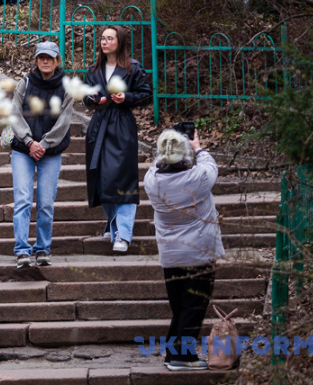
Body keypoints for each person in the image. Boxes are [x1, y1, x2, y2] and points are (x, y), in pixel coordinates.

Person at [143, 128, 224, 371]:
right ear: (185, 153)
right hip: (199, 253)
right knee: (194, 305)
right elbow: (211, 165)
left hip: (170, 255)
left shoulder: (152, 181)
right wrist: (198, 147)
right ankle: (182, 356)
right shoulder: (198, 177)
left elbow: (157, 162)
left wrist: (171, 148)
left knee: (180, 307)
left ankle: (174, 353)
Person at [82, 25, 152, 253]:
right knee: (102, 179)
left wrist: (127, 97)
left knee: (121, 179)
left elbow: (146, 94)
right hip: (99, 126)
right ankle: (113, 222)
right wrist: (93, 100)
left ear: (119, 42)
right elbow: (85, 96)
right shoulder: (94, 70)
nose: (104, 42)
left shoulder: (132, 67)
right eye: (102, 38)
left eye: (109, 38)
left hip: (122, 127)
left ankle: (122, 233)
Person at [8, 41, 74, 267]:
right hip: (23, 150)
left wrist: (44, 144)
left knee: (46, 203)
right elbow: (15, 115)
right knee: (23, 200)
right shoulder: (24, 84)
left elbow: (64, 122)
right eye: (41, 57)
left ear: (57, 61)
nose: (45, 61)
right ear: (36, 60)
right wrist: (29, 141)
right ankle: (22, 250)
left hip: (51, 152)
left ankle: (43, 248)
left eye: (50, 57)